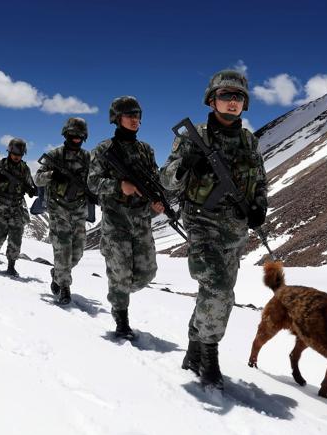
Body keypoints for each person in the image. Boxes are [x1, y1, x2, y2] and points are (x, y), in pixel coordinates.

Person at [160, 70, 268, 391]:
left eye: (238, 97)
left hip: (235, 229)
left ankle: (193, 351)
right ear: (212, 99)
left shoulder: (249, 140)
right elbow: (166, 181)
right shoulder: (194, 137)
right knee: (219, 290)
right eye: (225, 96)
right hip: (201, 221)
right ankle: (209, 356)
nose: (232, 102)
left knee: (215, 293)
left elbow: (259, 180)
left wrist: (259, 206)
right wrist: (186, 163)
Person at [88, 96, 164, 339]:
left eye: (138, 115)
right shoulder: (104, 150)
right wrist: (119, 186)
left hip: (142, 222)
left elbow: (154, 180)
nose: (135, 119)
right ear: (117, 118)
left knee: (147, 273)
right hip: (116, 222)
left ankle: (118, 290)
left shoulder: (146, 150)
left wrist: (157, 201)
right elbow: (92, 182)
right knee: (120, 273)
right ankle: (121, 318)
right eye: (130, 115)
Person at [35, 117, 92, 305]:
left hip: (79, 210)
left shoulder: (87, 158)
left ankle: (56, 273)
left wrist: (93, 192)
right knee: (63, 251)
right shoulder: (55, 156)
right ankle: (65, 288)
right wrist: (52, 174)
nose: (76, 138)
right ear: (66, 134)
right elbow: (37, 179)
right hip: (58, 209)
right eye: (73, 135)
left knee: (77, 253)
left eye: (79, 135)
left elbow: (94, 179)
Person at [0, 138, 36, 277]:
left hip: (17, 207)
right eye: (15, 154)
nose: (17, 157)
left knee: (16, 238)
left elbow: (29, 184)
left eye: (20, 155)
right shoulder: (0, 166)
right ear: (9, 151)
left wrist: (31, 190)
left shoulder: (24, 168)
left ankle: (11, 266)